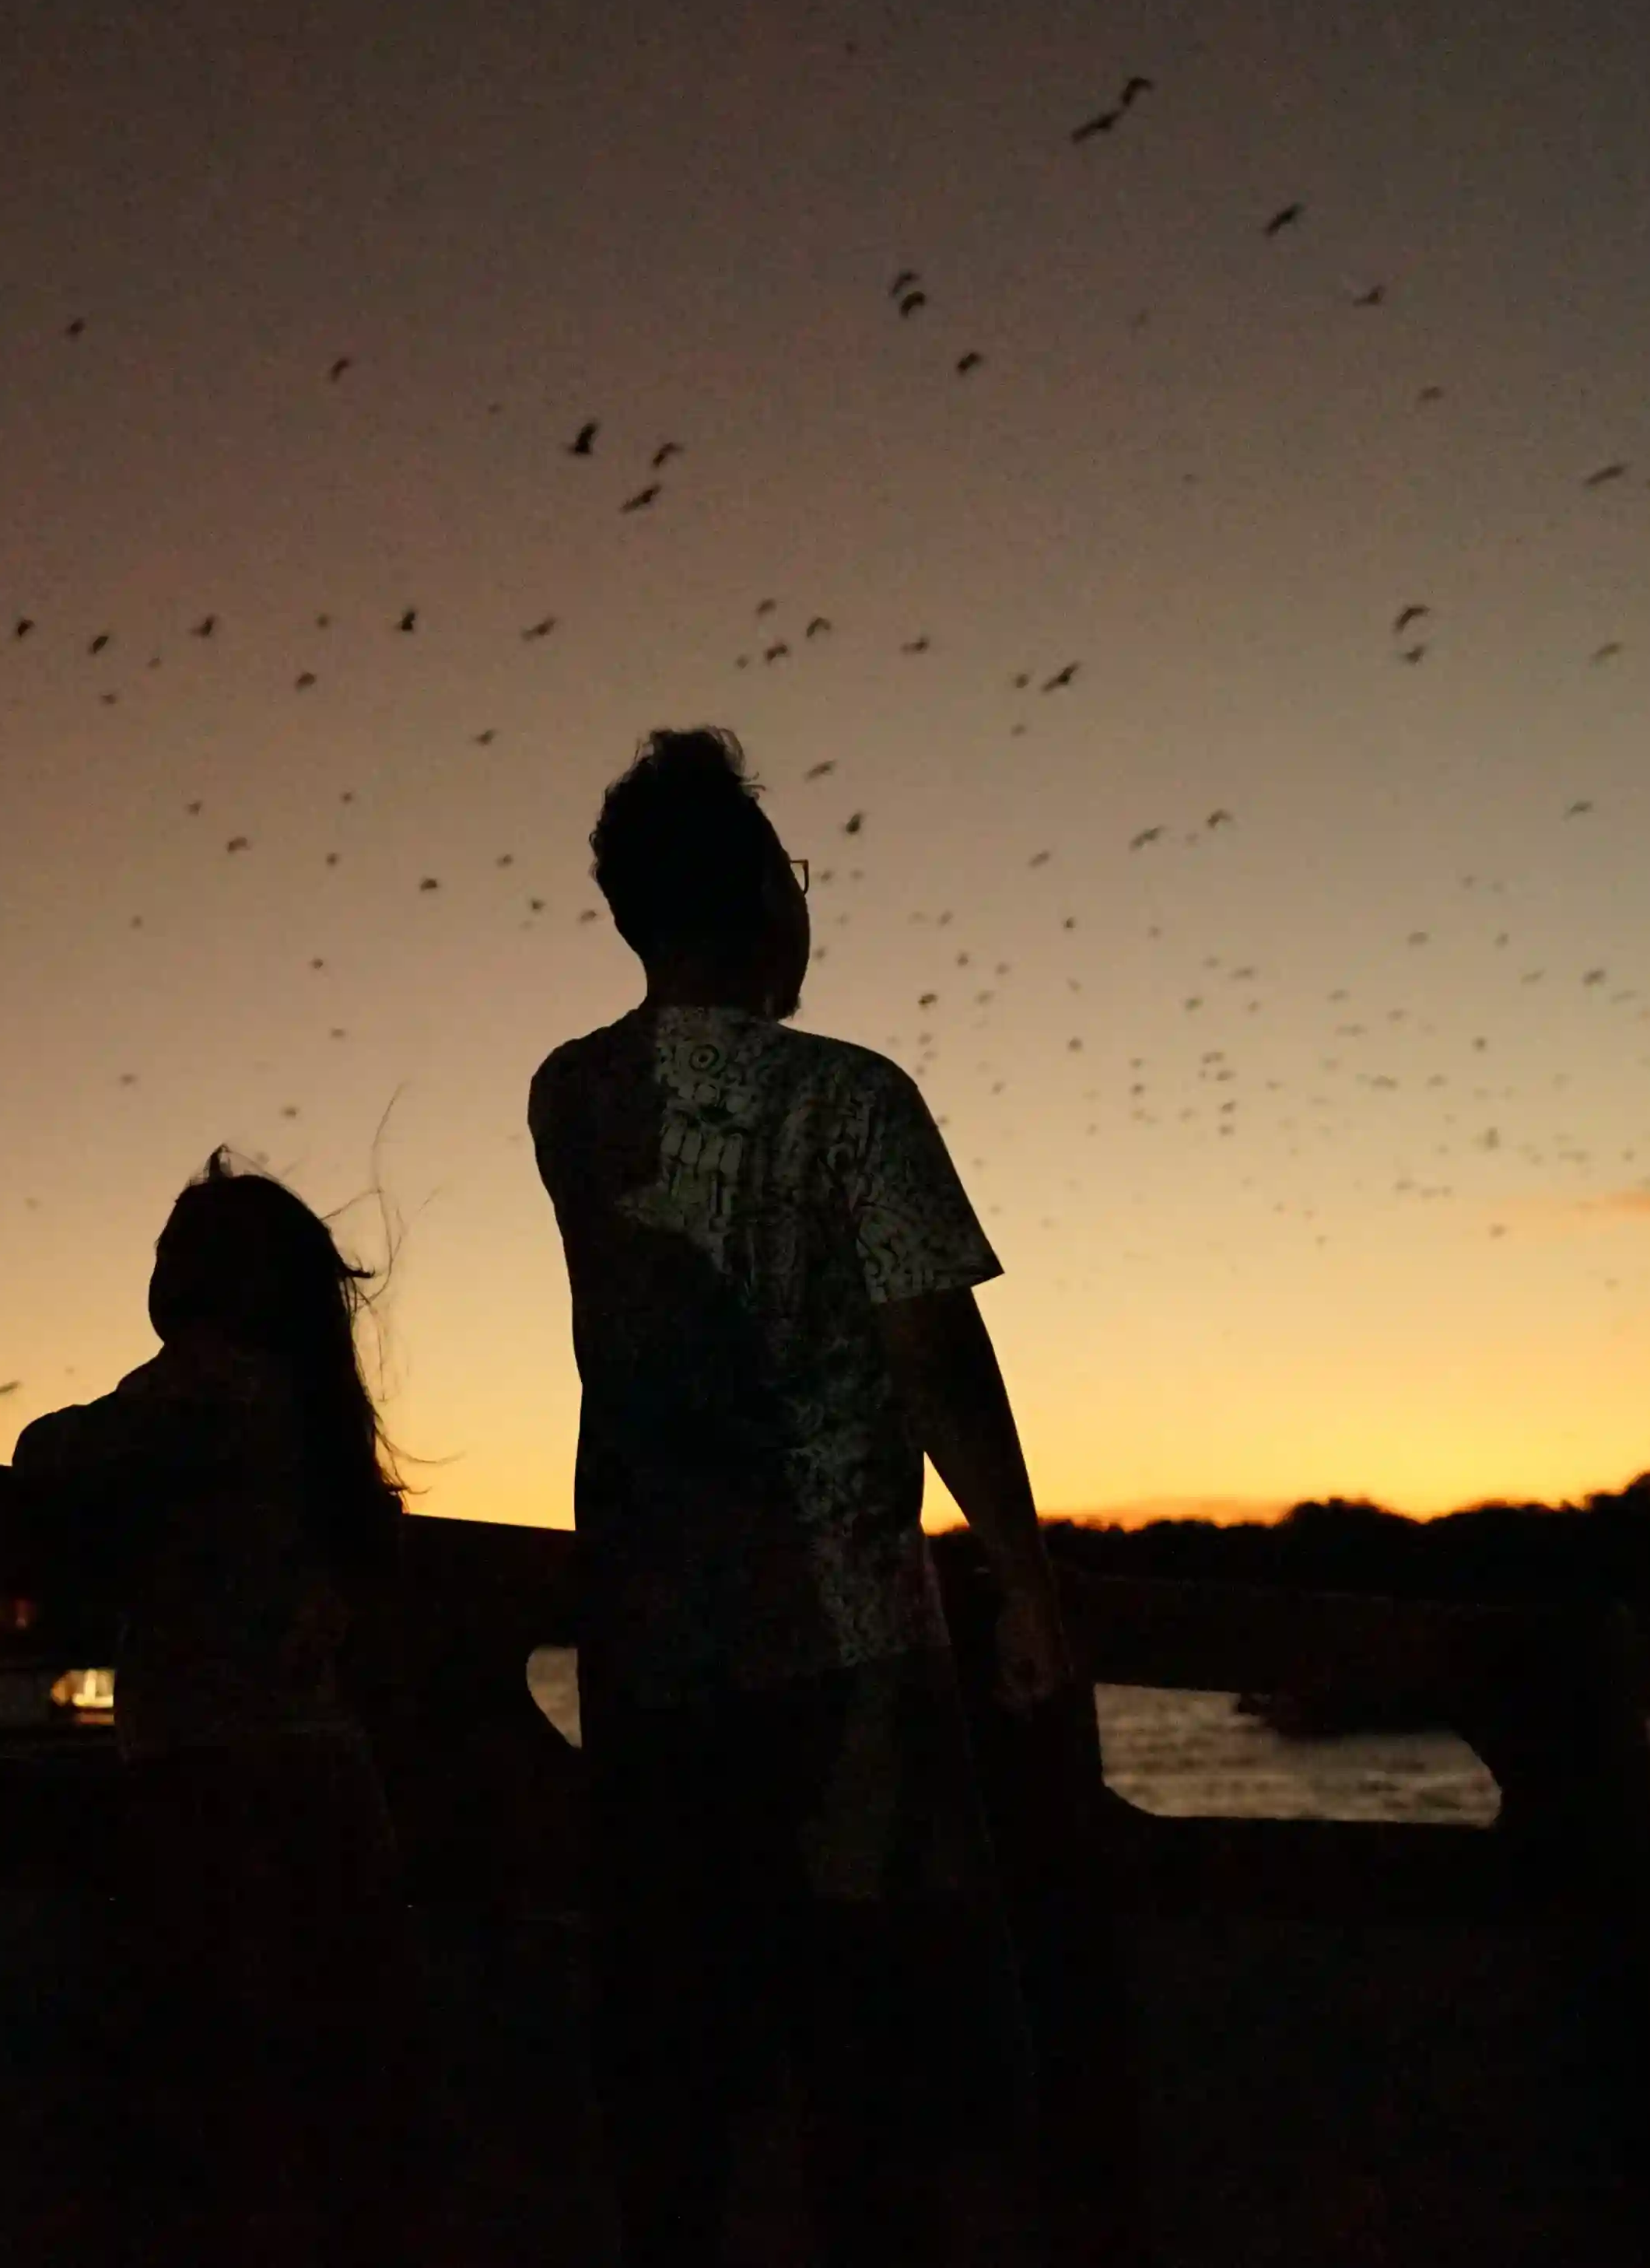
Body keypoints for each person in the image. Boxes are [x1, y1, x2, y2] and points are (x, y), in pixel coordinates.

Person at [527, 727, 1072, 2268]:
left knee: (674, 2057)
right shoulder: (852, 1100)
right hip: (843, 1642)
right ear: (766, 893)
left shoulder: (570, 1093)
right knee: (873, 2049)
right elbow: (932, 1351)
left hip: (646, 1650)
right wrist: (1022, 1574)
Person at [15, 1156, 415, 2266]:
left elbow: (47, 1453)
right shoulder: (312, 1410)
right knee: (325, 2102)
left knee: (215, 2102)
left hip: (209, 1779)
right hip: (327, 1779)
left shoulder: (202, 1388)